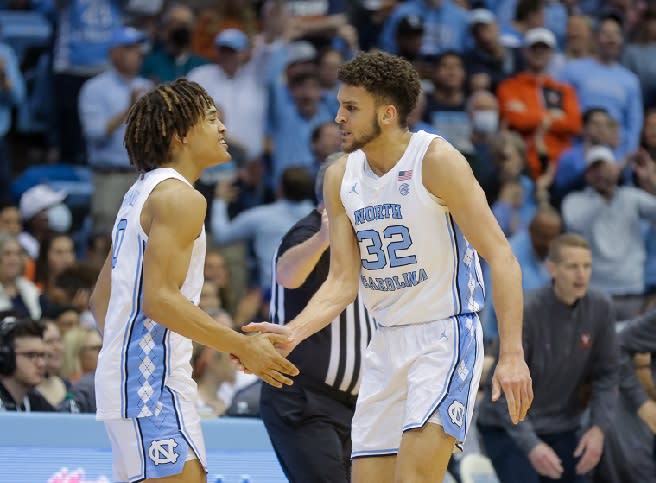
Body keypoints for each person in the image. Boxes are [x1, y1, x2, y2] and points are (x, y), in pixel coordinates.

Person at [244, 51, 532, 482]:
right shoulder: (340, 176)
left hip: (444, 336)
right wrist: (293, 332)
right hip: (384, 343)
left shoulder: (436, 160)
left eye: (350, 108)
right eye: (340, 105)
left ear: (387, 113)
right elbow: (342, 280)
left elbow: (503, 258)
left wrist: (511, 354)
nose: (337, 117)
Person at [90, 78, 298, 483]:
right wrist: (242, 345)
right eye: (211, 118)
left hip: (138, 382)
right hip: (151, 385)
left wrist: (124, 361)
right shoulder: (181, 197)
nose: (223, 128)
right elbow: (159, 300)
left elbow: (102, 300)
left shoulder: (141, 193)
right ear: (179, 134)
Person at [261, 153, 376, 482]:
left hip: (354, 406)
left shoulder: (364, 240)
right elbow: (287, 274)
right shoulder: (307, 233)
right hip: (304, 400)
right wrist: (323, 238)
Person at [477, 233, 619, 483]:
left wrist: (598, 429)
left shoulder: (601, 307)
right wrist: (531, 444)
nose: (581, 274)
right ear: (552, 269)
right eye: (573, 266)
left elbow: (608, 374)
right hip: (505, 427)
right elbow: (498, 393)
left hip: (561, 426)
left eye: (586, 266)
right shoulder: (527, 310)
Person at [0, 314, 54, 411]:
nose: (41, 364)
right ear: (5, 358)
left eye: (42, 355)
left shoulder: (38, 402)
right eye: (31, 355)